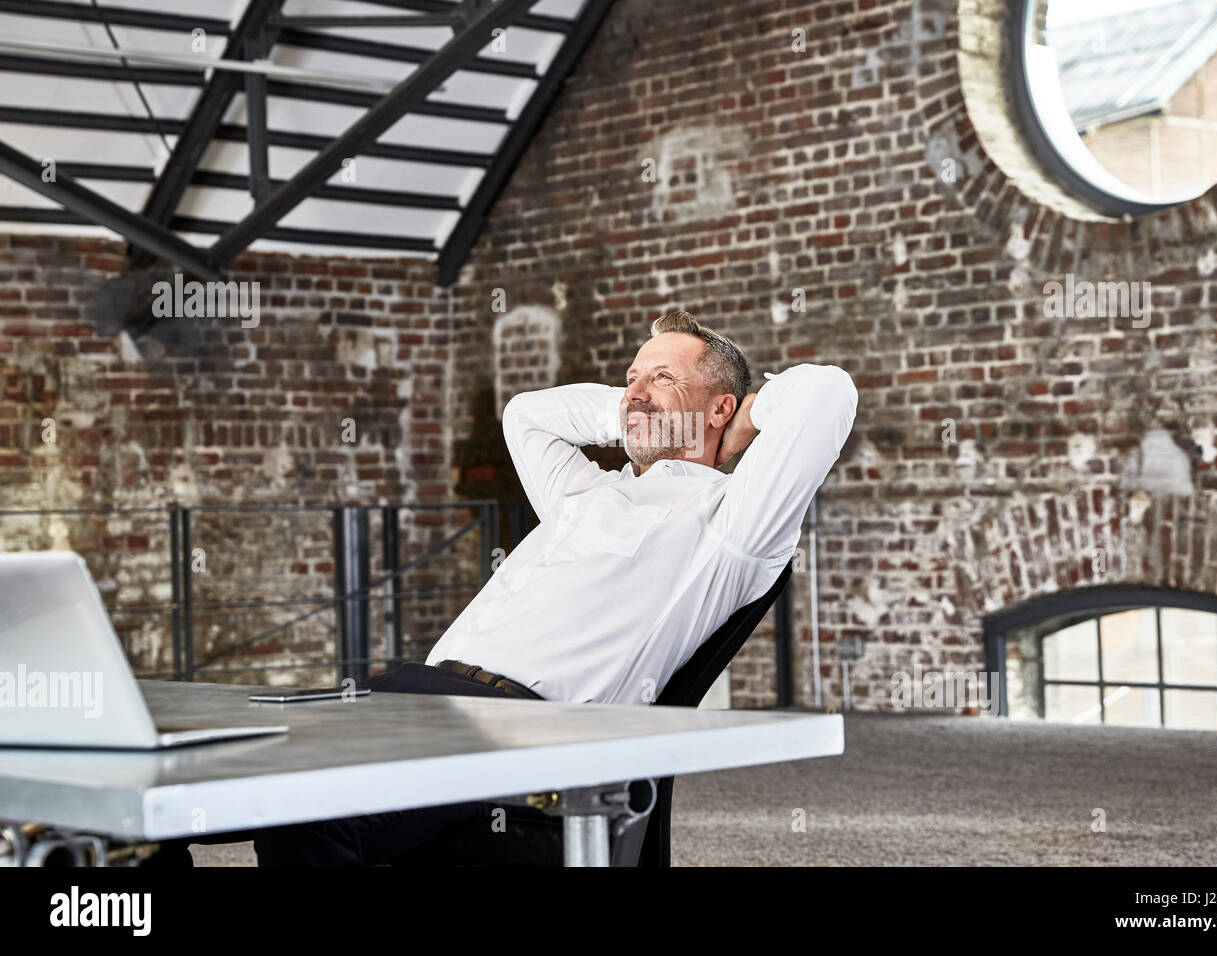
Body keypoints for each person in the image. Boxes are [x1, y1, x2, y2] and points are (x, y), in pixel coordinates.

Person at [251, 309, 859, 865]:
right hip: (415, 694)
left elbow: (828, 393)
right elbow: (525, 414)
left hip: (522, 729)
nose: (634, 392)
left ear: (719, 407)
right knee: (235, 783)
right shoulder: (582, 490)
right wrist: (634, 410)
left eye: (663, 378)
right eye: (630, 378)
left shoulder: (731, 521)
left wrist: (749, 415)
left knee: (307, 809)